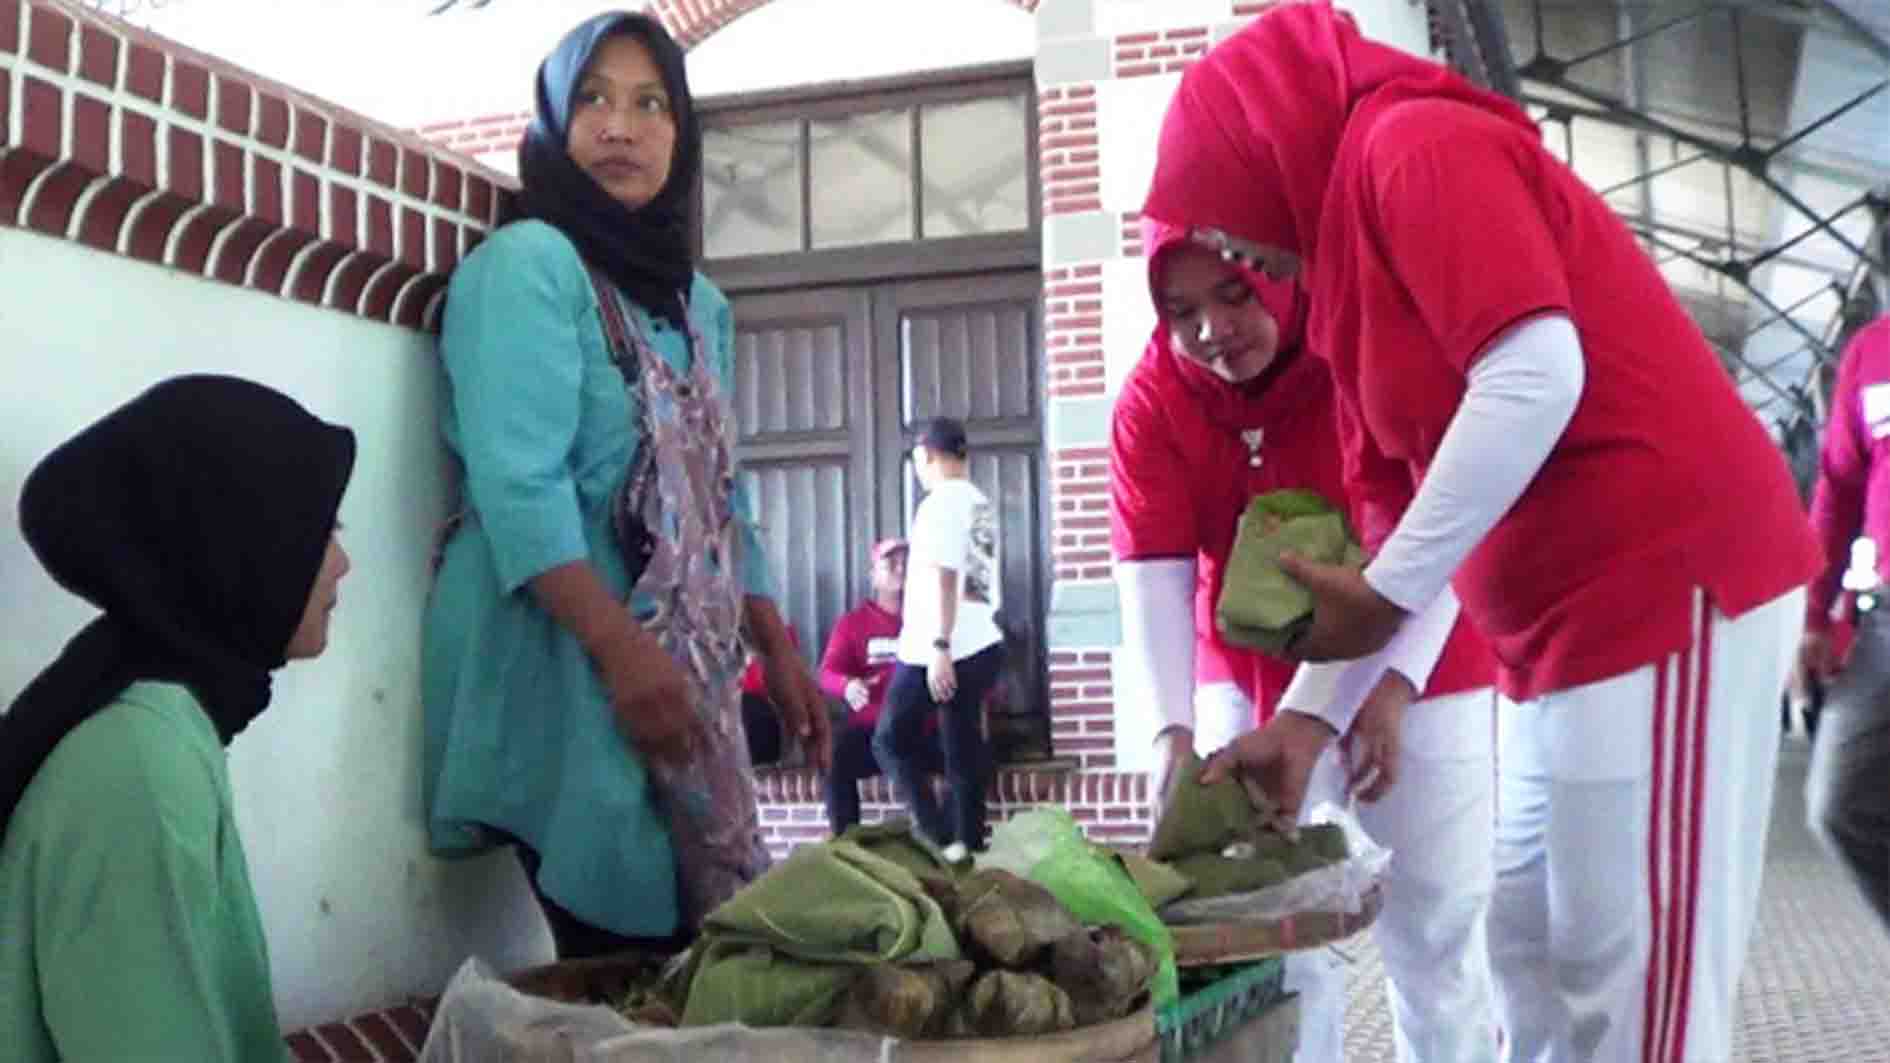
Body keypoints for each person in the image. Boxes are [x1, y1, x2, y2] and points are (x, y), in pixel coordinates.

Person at [1147, 5, 1822, 1061]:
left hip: (1662, 581)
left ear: (1267, 146)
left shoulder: (1414, 145)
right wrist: (1310, 719)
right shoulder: (1347, 279)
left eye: (1228, 223)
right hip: (1557, 632)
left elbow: (1534, 371)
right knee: (1534, 944)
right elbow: (1391, 527)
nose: (1233, 247)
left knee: (1634, 975)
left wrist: (1385, 596)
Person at [422, 10, 831, 957]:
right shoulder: (528, 269)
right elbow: (518, 485)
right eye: (595, 100)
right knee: (620, 947)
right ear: (556, 124)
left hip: (679, 663)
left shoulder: (698, 303)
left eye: (652, 105)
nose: (621, 127)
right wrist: (619, 651)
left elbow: (723, 488)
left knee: (695, 941)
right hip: (562, 659)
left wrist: (774, 639)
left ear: (681, 135)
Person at [1111, 215, 1497, 1062]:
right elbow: (1154, 568)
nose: (1212, 329)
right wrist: (1171, 732)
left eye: (1234, 293)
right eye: (1181, 311)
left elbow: (1429, 527)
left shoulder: (1361, 348)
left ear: (1275, 269)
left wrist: (1390, 687)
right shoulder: (1152, 398)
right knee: (1264, 930)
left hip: (1424, 650)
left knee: (1434, 932)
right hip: (1246, 667)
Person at [0, 375, 355, 1063]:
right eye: (324, 529)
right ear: (238, 541)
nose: (343, 563)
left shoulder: (167, 720)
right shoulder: (139, 766)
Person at [875, 418, 1006, 862]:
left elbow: (947, 577)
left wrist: (940, 647)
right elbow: (978, 584)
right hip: (982, 641)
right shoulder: (979, 502)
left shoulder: (938, 504)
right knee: (961, 753)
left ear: (926, 455)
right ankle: (965, 846)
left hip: (942, 647)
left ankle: (935, 837)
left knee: (890, 739)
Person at [1799, 312, 1890, 930]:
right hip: (1885, 620)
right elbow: (1836, 491)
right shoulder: (1872, 350)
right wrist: (1811, 617)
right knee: (1838, 802)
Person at [822, 538, 946, 834]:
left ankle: (943, 840)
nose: (900, 568)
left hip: (922, 729)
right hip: (872, 731)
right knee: (834, 756)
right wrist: (847, 685)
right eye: (890, 562)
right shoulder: (853, 625)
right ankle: (847, 845)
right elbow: (826, 672)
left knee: (965, 756)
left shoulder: (934, 620)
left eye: (907, 562)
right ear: (873, 575)